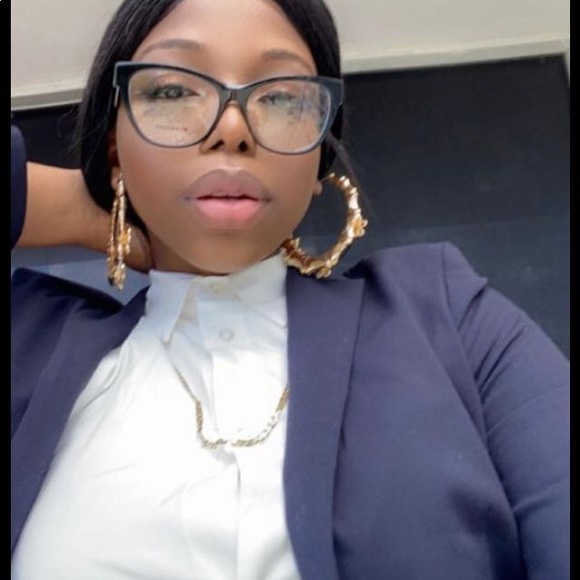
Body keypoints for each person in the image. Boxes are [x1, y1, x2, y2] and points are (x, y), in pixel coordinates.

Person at [10, 0, 569, 578]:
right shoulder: (30, 343)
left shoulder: (446, 316)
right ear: (115, 143)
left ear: (319, 153)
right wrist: (82, 205)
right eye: (172, 91)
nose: (233, 130)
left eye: (280, 98)